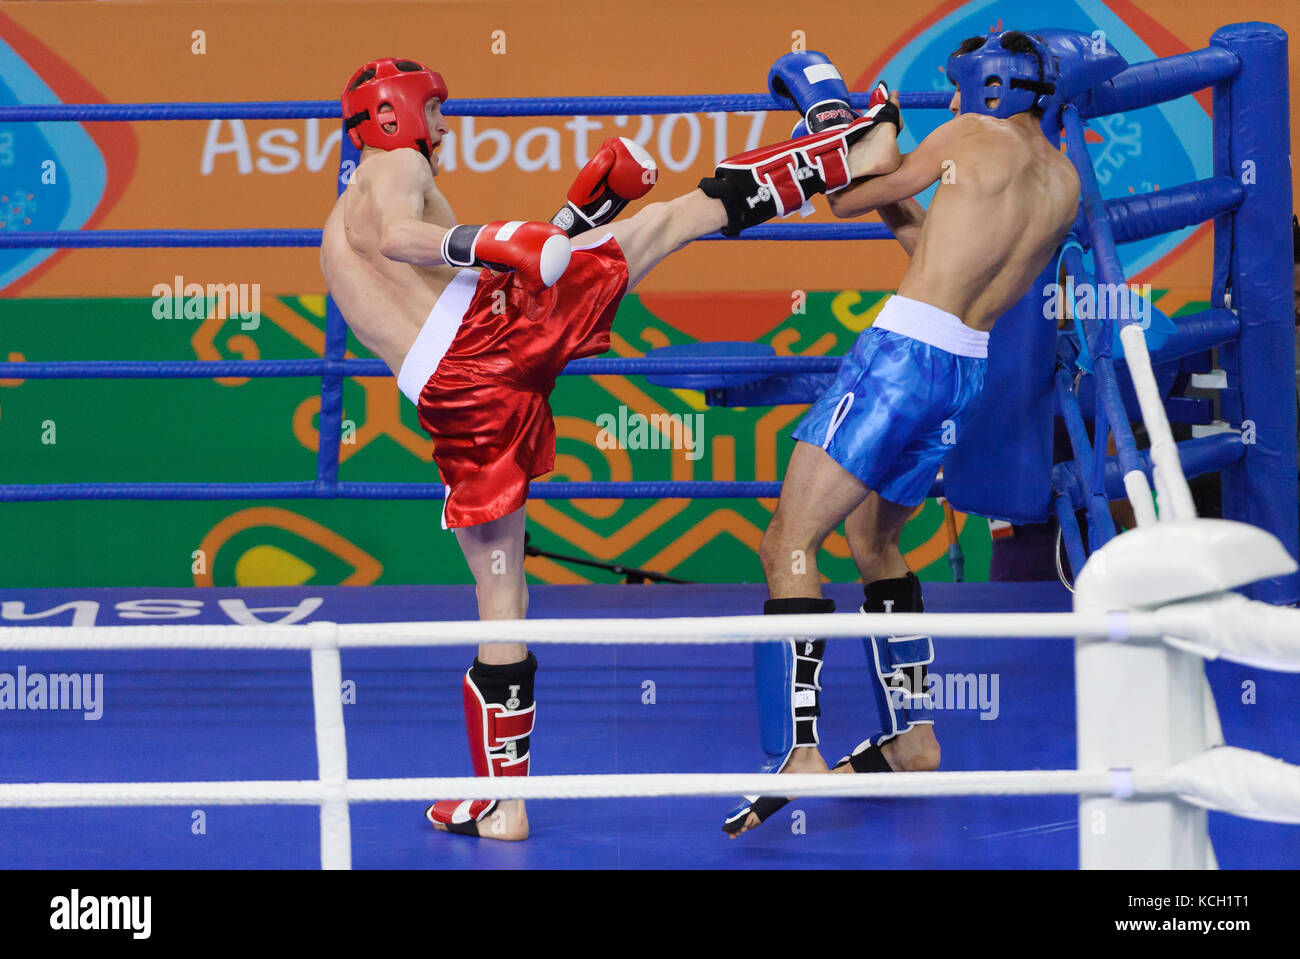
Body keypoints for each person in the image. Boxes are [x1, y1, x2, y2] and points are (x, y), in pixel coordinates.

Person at [320, 57, 903, 840]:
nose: (444, 129)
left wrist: (569, 221)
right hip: (488, 348)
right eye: (435, 113)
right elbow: (408, 242)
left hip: (453, 400)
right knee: (668, 222)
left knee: (501, 596)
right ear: (396, 116)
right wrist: (498, 236)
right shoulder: (392, 168)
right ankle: (842, 156)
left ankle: (503, 803)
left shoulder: (335, 227)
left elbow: (494, 291)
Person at [724, 33, 1081, 836]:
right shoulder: (1061, 183)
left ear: (984, 89)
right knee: (872, 540)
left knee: (786, 542)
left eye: (959, 87)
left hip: (902, 356)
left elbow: (843, 199)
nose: (952, 100)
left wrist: (840, 128)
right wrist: (872, 152)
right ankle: (913, 736)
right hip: (965, 369)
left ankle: (795, 752)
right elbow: (933, 246)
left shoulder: (964, 137)